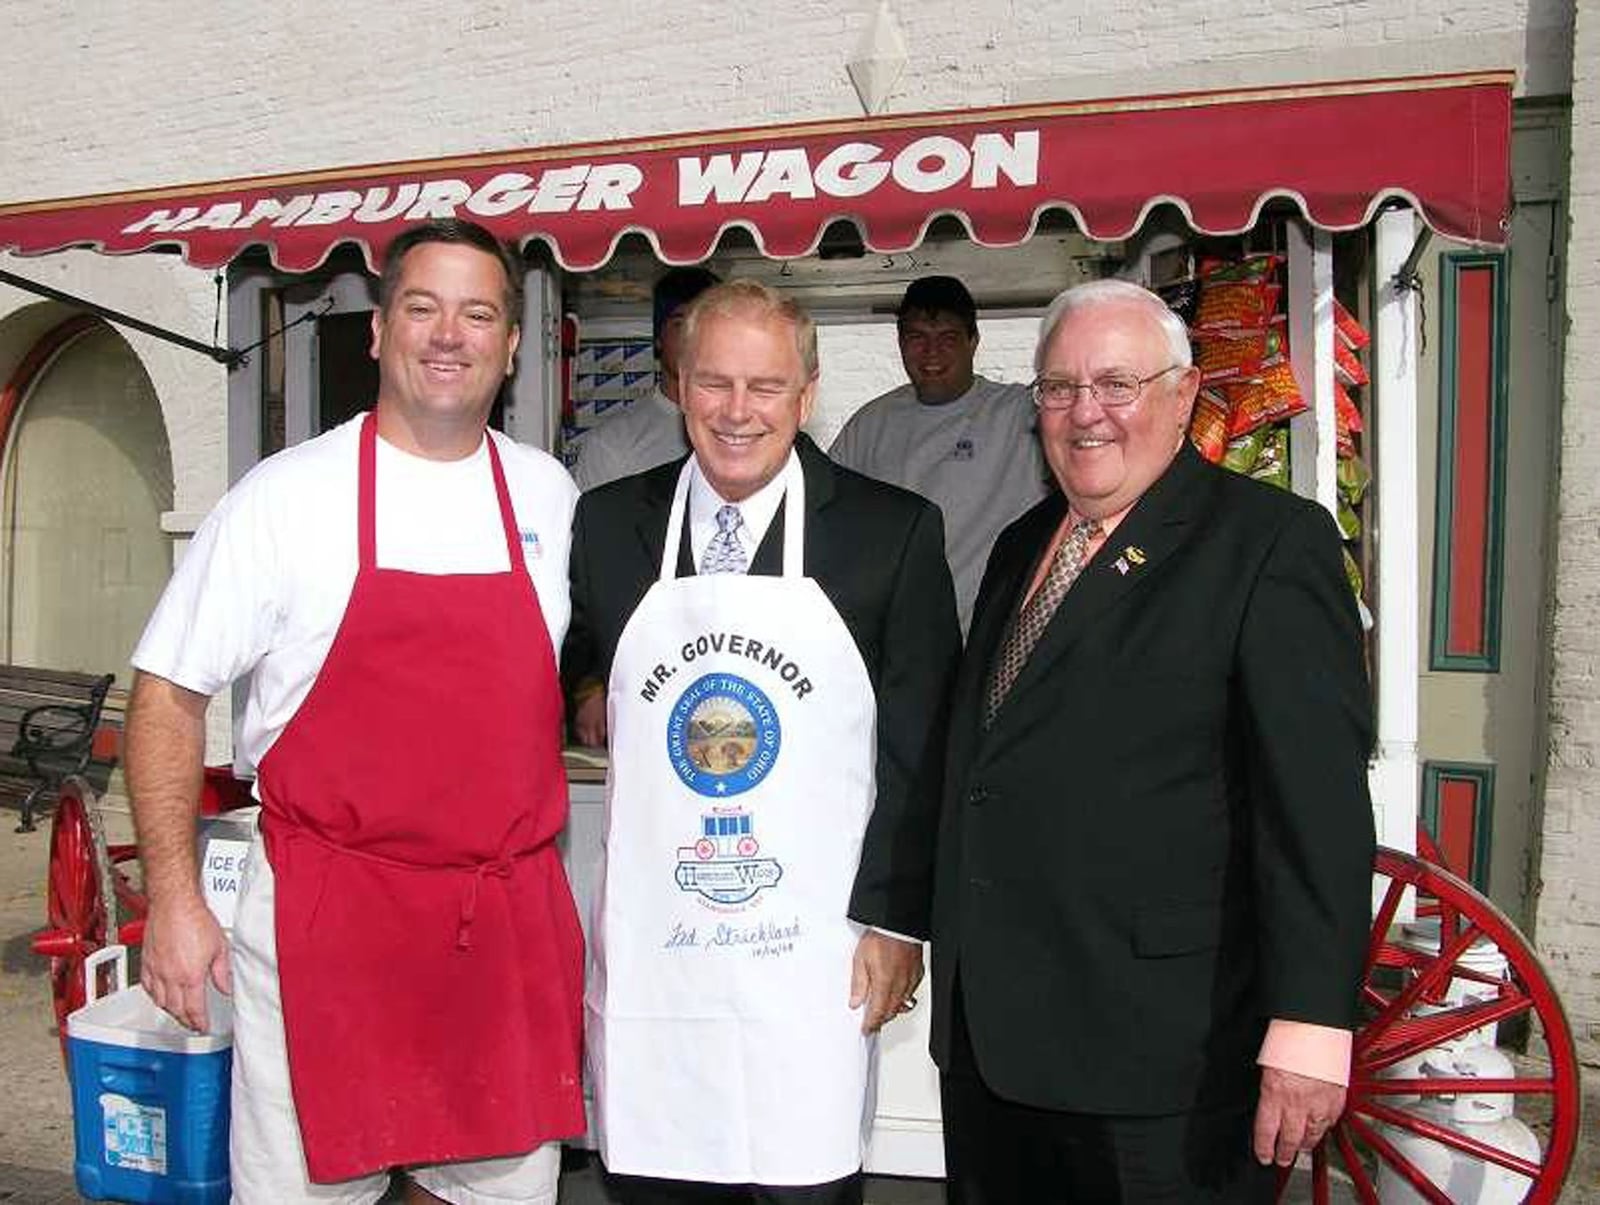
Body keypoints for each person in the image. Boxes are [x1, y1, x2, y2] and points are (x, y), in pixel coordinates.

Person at [126, 219, 584, 1205]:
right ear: (378, 331)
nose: (448, 334)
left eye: (478, 312)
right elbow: (166, 691)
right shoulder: (287, 497)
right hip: (325, 929)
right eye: (422, 308)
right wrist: (172, 896)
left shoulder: (548, 493)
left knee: (491, 1187)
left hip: (496, 927)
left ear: (511, 343)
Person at [929, 279, 1376, 1202]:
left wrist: (1310, 1021)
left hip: (1164, 1063)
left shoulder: (1269, 544)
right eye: (1058, 387)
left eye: (1117, 383)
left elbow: (1316, 809)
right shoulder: (1022, 543)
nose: (1085, 412)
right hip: (994, 1047)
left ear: (1184, 394)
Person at [563, 279, 960, 1204]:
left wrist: (900, 922)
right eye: (714, 383)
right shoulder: (611, 525)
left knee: (803, 1178)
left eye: (765, 386)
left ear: (807, 394)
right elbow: (572, 658)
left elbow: (922, 742)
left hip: (815, 949)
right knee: (658, 1179)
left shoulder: (891, 531)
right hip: (660, 949)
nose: (737, 412)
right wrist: (586, 683)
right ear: (679, 385)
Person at [829, 275, 1048, 633]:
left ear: (974, 342)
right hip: (896, 638)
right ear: (899, 342)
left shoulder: (1019, 414)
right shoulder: (871, 424)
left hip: (989, 639)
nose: (932, 353)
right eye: (917, 338)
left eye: (948, 338)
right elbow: (825, 512)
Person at [571, 265, 720, 490]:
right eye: (681, 324)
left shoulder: (748, 434)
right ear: (659, 337)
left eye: (707, 324)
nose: (694, 339)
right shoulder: (612, 444)